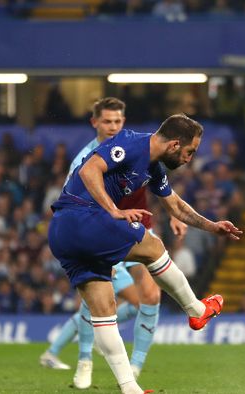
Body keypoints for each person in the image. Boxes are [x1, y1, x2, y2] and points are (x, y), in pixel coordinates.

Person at [48, 113, 241, 394]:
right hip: (82, 217)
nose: (189, 159)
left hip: (61, 235)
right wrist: (114, 211)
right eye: (190, 152)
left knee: (104, 309)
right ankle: (197, 310)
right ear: (175, 145)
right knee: (153, 247)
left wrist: (212, 226)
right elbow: (89, 170)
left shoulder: (154, 168)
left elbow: (175, 206)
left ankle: (130, 389)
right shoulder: (129, 143)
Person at [41, 98, 189, 389]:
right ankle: (84, 361)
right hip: (97, 230)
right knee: (98, 299)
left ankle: (134, 369)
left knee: (149, 296)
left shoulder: (131, 148)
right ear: (94, 123)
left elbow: (148, 186)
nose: (113, 127)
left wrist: (174, 213)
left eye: (118, 121)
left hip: (130, 228)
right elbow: (72, 201)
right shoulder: (86, 159)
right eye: (107, 121)